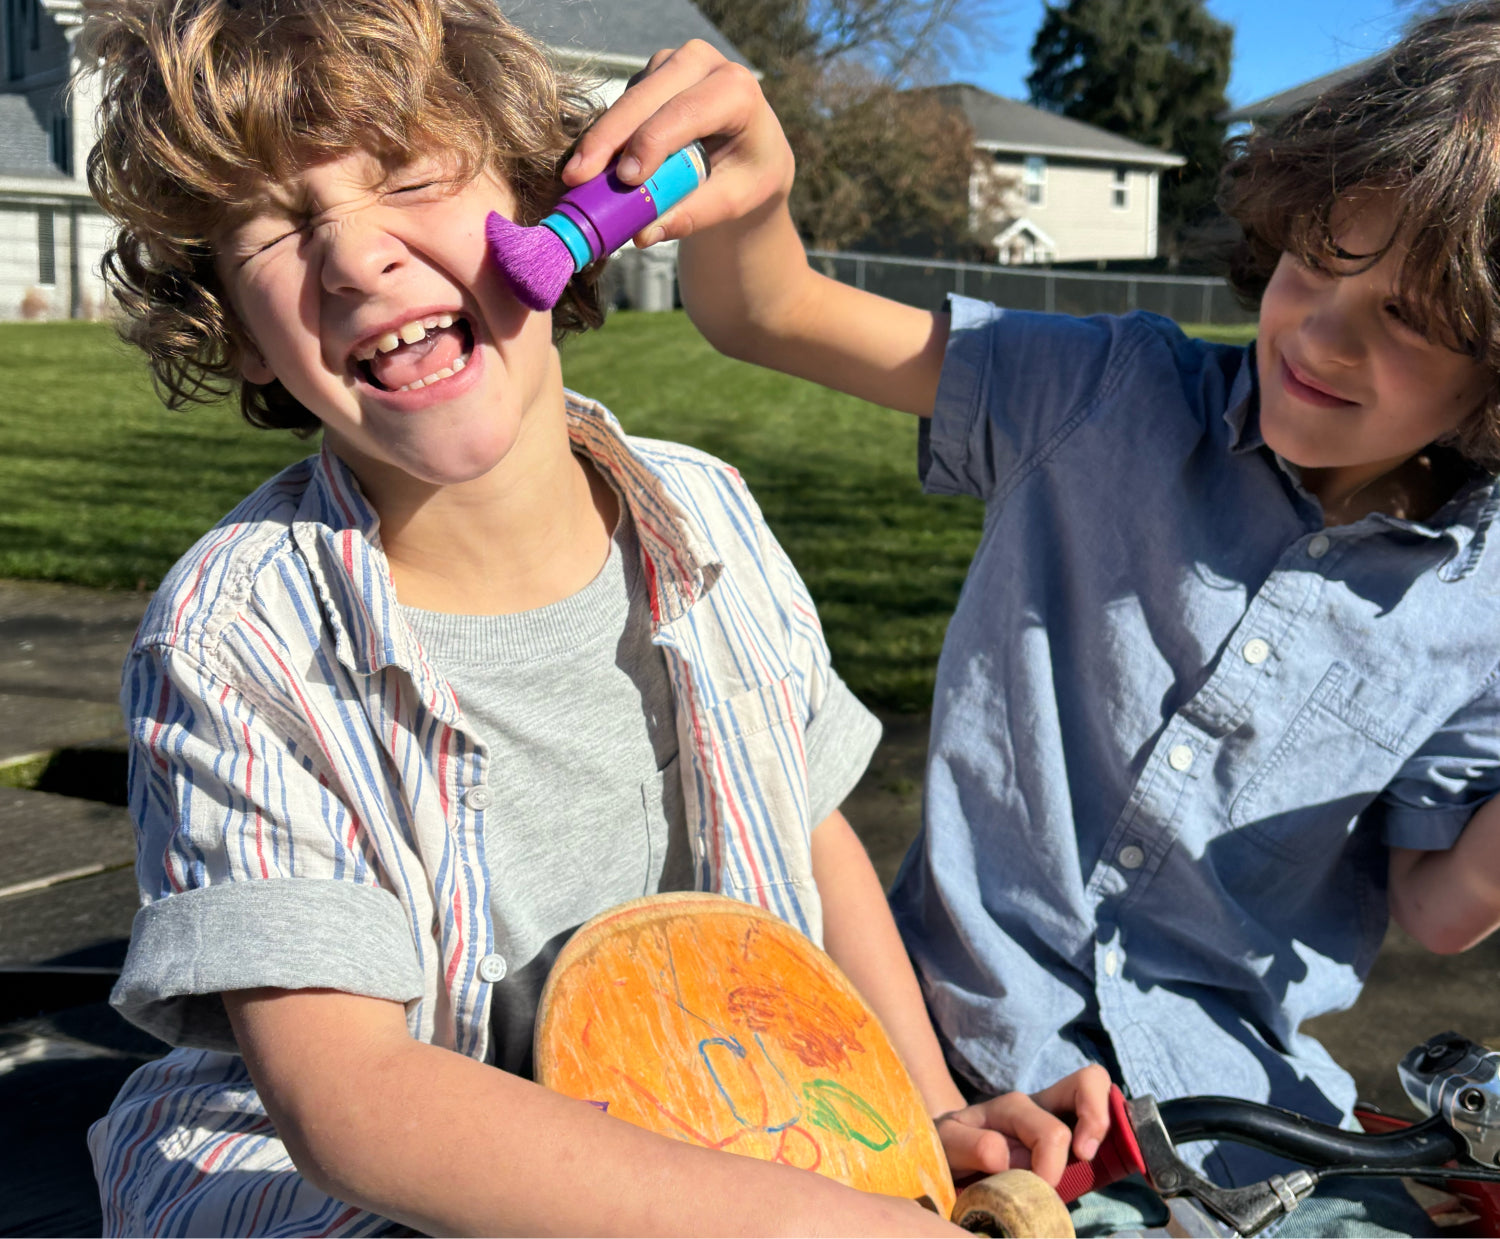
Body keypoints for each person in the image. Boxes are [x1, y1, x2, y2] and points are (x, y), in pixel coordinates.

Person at [81, 1, 1112, 1235]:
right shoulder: (237, 637)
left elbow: (810, 827)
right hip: (357, 1189)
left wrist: (926, 1112)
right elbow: (348, 1100)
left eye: (411, 174)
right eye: (278, 233)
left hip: (718, 1115)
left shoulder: (709, 513)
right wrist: (803, 1224)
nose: (357, 261)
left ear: (552, 211)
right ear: (244, 340)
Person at [569, 4, 1500, 1233]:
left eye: (1409, 319)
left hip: (1241, 1125)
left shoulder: (1481, 601)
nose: (1322, 333)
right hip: (933, 1061)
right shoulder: (1102, 390)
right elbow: (768, 311)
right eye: (1317, 264)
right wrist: (751, 195)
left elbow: (1439, 905)